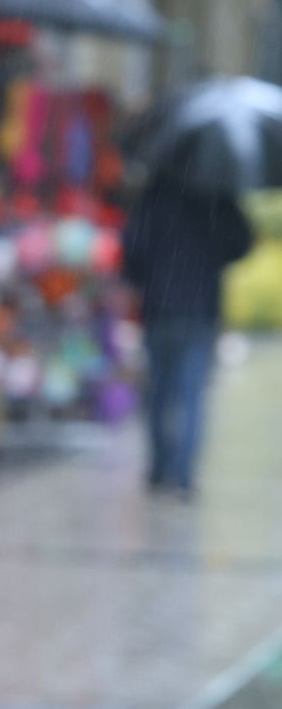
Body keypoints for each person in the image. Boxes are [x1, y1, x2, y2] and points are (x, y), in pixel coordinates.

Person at [122, 174, 253, 495]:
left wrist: (146, 277)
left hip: (159, 306)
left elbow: (132, 247)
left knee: (158, 392)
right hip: (199, 307)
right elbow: (242, 243)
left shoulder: (155, 194)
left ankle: (158, 468)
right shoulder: (217, 195)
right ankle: (182, 475)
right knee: (192, 394)